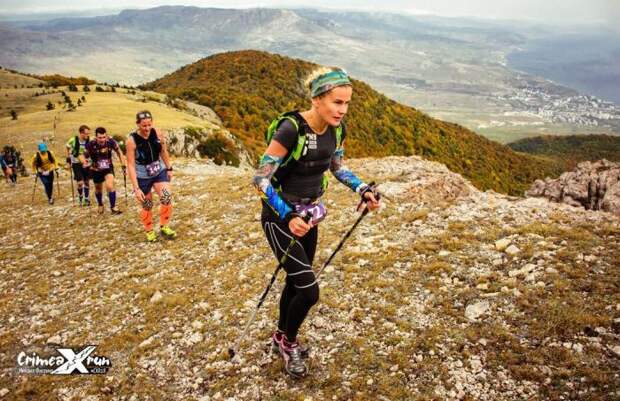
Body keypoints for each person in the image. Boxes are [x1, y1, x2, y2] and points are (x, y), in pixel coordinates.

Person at [252, 67, 381, 378]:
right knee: (309, 291)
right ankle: (289, 344)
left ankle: (280, 335)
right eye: (337, 102)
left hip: (309, 216)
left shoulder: (337, 131)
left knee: (295, 282)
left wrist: (362, 188)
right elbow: (259, 178)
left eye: (347, 103)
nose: (343, 110)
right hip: (280, 218)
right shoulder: (290, 129)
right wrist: (288, 215)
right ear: (317, 99)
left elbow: (336, 167)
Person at [125, 110, 176, 242]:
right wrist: (136, 188)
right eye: (144, 126)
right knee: (147, 204)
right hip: (142, 176)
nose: (147, 129)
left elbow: (163, 151)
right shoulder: (131, 141)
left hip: (158, 171)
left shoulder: (158, 133)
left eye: (149, 125)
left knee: (166, 196)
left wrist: (169, 167)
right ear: (138, 124)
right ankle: (149, 231)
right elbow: (130, 165)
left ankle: (164, 226)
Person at [83, 127, 126, 214]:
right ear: (96, 137)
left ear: (106, 136)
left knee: (110, 186)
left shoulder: (111, 141)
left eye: (103, 137)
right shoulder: (91, 144)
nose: (102, 139)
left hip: (108, 167)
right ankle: (100, 204)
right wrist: (84, 162)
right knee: (98, 188)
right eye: (100, 137)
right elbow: (83, 155)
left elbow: (119, 152)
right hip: (95, 169)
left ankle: (113, 207)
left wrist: (123, 164)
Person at [66, 125, 92, 206]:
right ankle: (81, 196)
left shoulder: (89, 140)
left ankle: (86, 199)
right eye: (86, 133)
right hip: (76, 163)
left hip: (86, 163)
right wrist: (68, 160)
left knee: (87, 182)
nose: (87, 135)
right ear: (81, 133)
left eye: (88, 133)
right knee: (80, 183)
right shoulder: (73, 140)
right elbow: (67, 148)